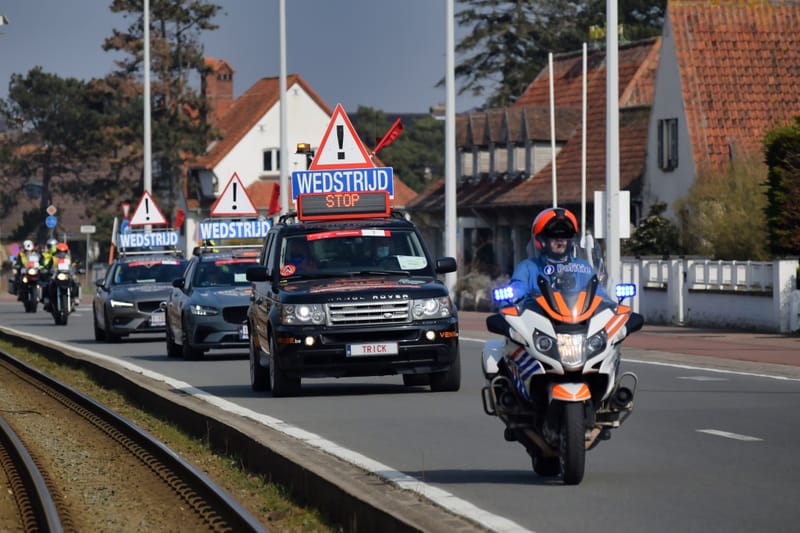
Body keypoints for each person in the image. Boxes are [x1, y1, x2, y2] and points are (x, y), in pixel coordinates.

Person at [508, 207, 609, 301]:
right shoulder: (528, 267)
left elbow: (599, 295)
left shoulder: (583, 267)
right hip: (540, 319)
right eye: (554, 235)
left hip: (578, 318)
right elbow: (518, 288)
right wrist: (514, 293)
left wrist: (610, 306)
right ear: (542, 239)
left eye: (565, 235)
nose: (560, 240)